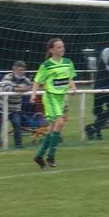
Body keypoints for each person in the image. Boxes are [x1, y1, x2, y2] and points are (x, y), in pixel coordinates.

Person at [30, 38, 77, 170]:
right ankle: (51, 156)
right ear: (51, 50)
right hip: (51, 97)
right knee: (60, 123)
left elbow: (70, 77)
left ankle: (39, 156)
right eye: (59, 47)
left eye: (63, 46)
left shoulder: (68, 62)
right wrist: (33, 94)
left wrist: (73, 87)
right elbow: (37, 81)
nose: (62, 49)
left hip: (61, 98)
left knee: (52, 129)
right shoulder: (46, 65)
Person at [0, 61, 36, 149]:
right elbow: (7, 89)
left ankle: (18, 145)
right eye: (19, 70)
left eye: (23, 70)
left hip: (15, 108)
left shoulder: (26, 80)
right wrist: (21, 89)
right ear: (14, 69)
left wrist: (18, 89)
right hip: (0, 107)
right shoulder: (7, 77)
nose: (21, 72)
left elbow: (30, 87)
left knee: (17, 124)